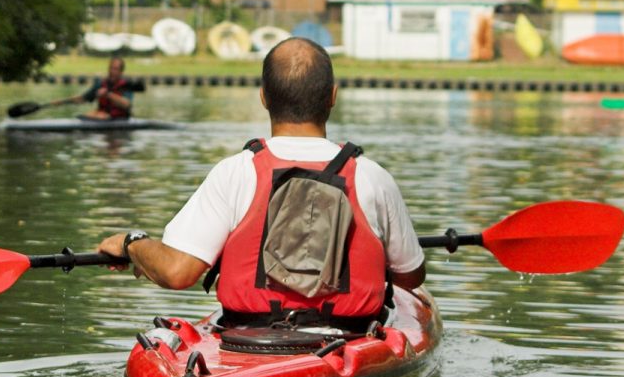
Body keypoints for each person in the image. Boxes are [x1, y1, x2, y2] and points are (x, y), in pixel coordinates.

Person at [97, 37, 425, 330]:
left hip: (248, 339)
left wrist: (132, 243)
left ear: (264, 98)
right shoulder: (372, 176)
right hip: (352, 337)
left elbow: (177, 272)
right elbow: (411, 277)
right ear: (333, 97)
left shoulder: (235, 172)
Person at [66, 56, 134, 119]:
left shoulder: (126, 85)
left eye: (115, 69)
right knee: (83, 116)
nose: (112, 71)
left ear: (121, 71)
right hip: (102, 116)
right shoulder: (101, 84)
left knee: (99, 115)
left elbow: (127, 104)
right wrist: (63, 102)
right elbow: (83, 98)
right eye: (110, 68)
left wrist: (107, 94)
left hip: (120, 119)